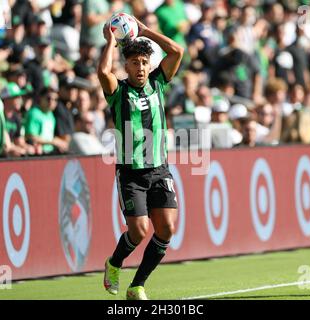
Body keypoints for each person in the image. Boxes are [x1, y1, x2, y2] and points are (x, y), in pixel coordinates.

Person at [97, 17, 184, 300]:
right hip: (132, 173)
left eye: (145, 62)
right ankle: (114, 263)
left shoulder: (158, 82)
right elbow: (102, 71)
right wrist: (111, 42)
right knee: (139, 231)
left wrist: (145, 31)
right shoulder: (118, 91)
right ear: (127, 66)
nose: (141, 67)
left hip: (159, 169)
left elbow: (177, 51)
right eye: (135, 62)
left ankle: (137, 285)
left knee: (167, 228)